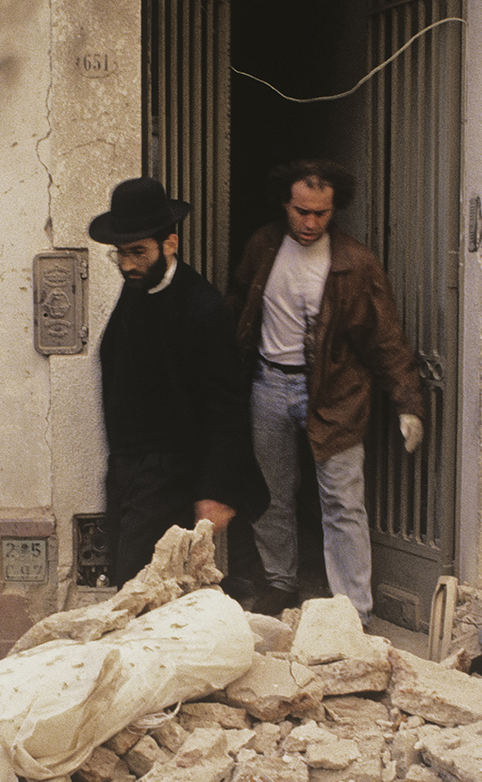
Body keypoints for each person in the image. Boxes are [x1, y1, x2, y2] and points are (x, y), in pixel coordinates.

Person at [229, 159, 423, 621]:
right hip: (268, 383)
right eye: (301, 211)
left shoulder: (356, 263)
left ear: (335, 209)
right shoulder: (263, 246)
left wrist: (407, 403)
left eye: (321, 213)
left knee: (342, 500)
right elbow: (238, 307)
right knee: (271, 492)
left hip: (336, 393)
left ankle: (352, 609)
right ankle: (280, 580)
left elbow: (386, 338)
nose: (311, 222)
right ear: (285, 204)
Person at [90, 177, 266, 585]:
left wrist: (216, 491)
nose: (127, 264)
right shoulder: (137, 286)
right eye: (120, 253)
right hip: (127, 468)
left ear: (170, 244)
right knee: (128, 580)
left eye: (138, 252)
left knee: (144, 585)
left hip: (171, 469)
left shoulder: (203, 308)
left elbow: (227, 407)